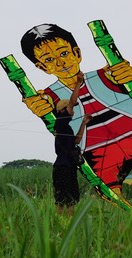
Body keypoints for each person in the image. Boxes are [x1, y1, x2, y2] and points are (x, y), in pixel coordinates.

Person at [17, 23, 132, 196]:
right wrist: (40, 103)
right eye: (49, 60)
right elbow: (45, 103)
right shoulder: (51, 96)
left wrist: (124, 75)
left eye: (64, 53)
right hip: (98, 152)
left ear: (77, 53)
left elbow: (118, 74)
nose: (60, 62)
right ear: (42, 67)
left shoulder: (105, 75)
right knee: (112, 194)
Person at [52, 71, 92, 215]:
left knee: (63, 200)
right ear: (62, 110)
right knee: (68, 201)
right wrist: (77, 83)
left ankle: (61, 225)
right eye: (70, 108)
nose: (72, 110)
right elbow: (71, 103)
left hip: (64, 167)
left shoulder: (65, 127)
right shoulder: (61, 120)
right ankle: (68, 227)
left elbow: (76, 140)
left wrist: (84, 123)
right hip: (65, 168)